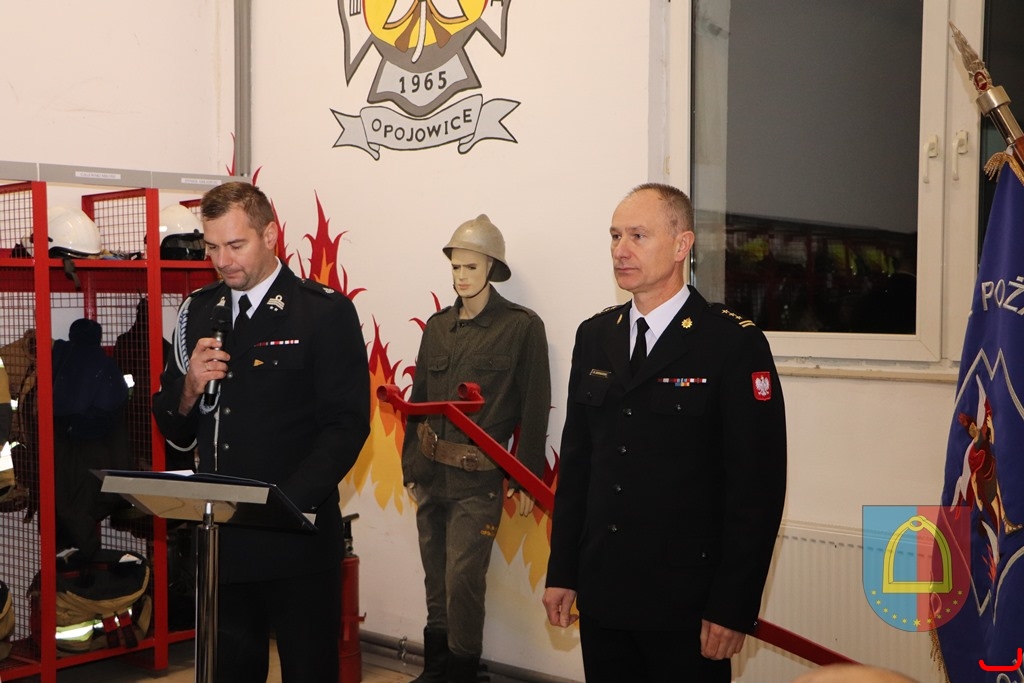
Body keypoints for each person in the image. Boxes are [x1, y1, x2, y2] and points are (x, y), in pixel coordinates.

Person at [542, 183, 787, 682]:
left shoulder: (730, 343)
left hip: (687, 602)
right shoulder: (596, 335)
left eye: (638, 235)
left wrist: (733, 605)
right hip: (604, 593)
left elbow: (756, 488)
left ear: (681, 245)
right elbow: (579, 466)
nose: (621, 250)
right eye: (615, 236)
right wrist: (563, 571)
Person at [152, 182, 370, 683]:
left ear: (270, 235)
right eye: (211, 247)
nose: (222, 261)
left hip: (297, 540)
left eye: (236, 245)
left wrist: (284, 505)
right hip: (223, 546)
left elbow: (346, 426)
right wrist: (189, 388)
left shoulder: (323, 311)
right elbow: (173, 429)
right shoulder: (197, 311)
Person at [401, 215, 551, 683]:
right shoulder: (438, 327)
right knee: (435, 577)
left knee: (463, 581)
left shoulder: (521, 327)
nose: (461, 276)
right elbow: (418, 402)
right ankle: (436, 670)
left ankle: (462, 672)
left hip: (478, 480)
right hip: (430, 473)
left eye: (471, 267)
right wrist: (409, 466)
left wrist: (527, 478)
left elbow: (534, 407)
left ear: (491, 268)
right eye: (455, 267)